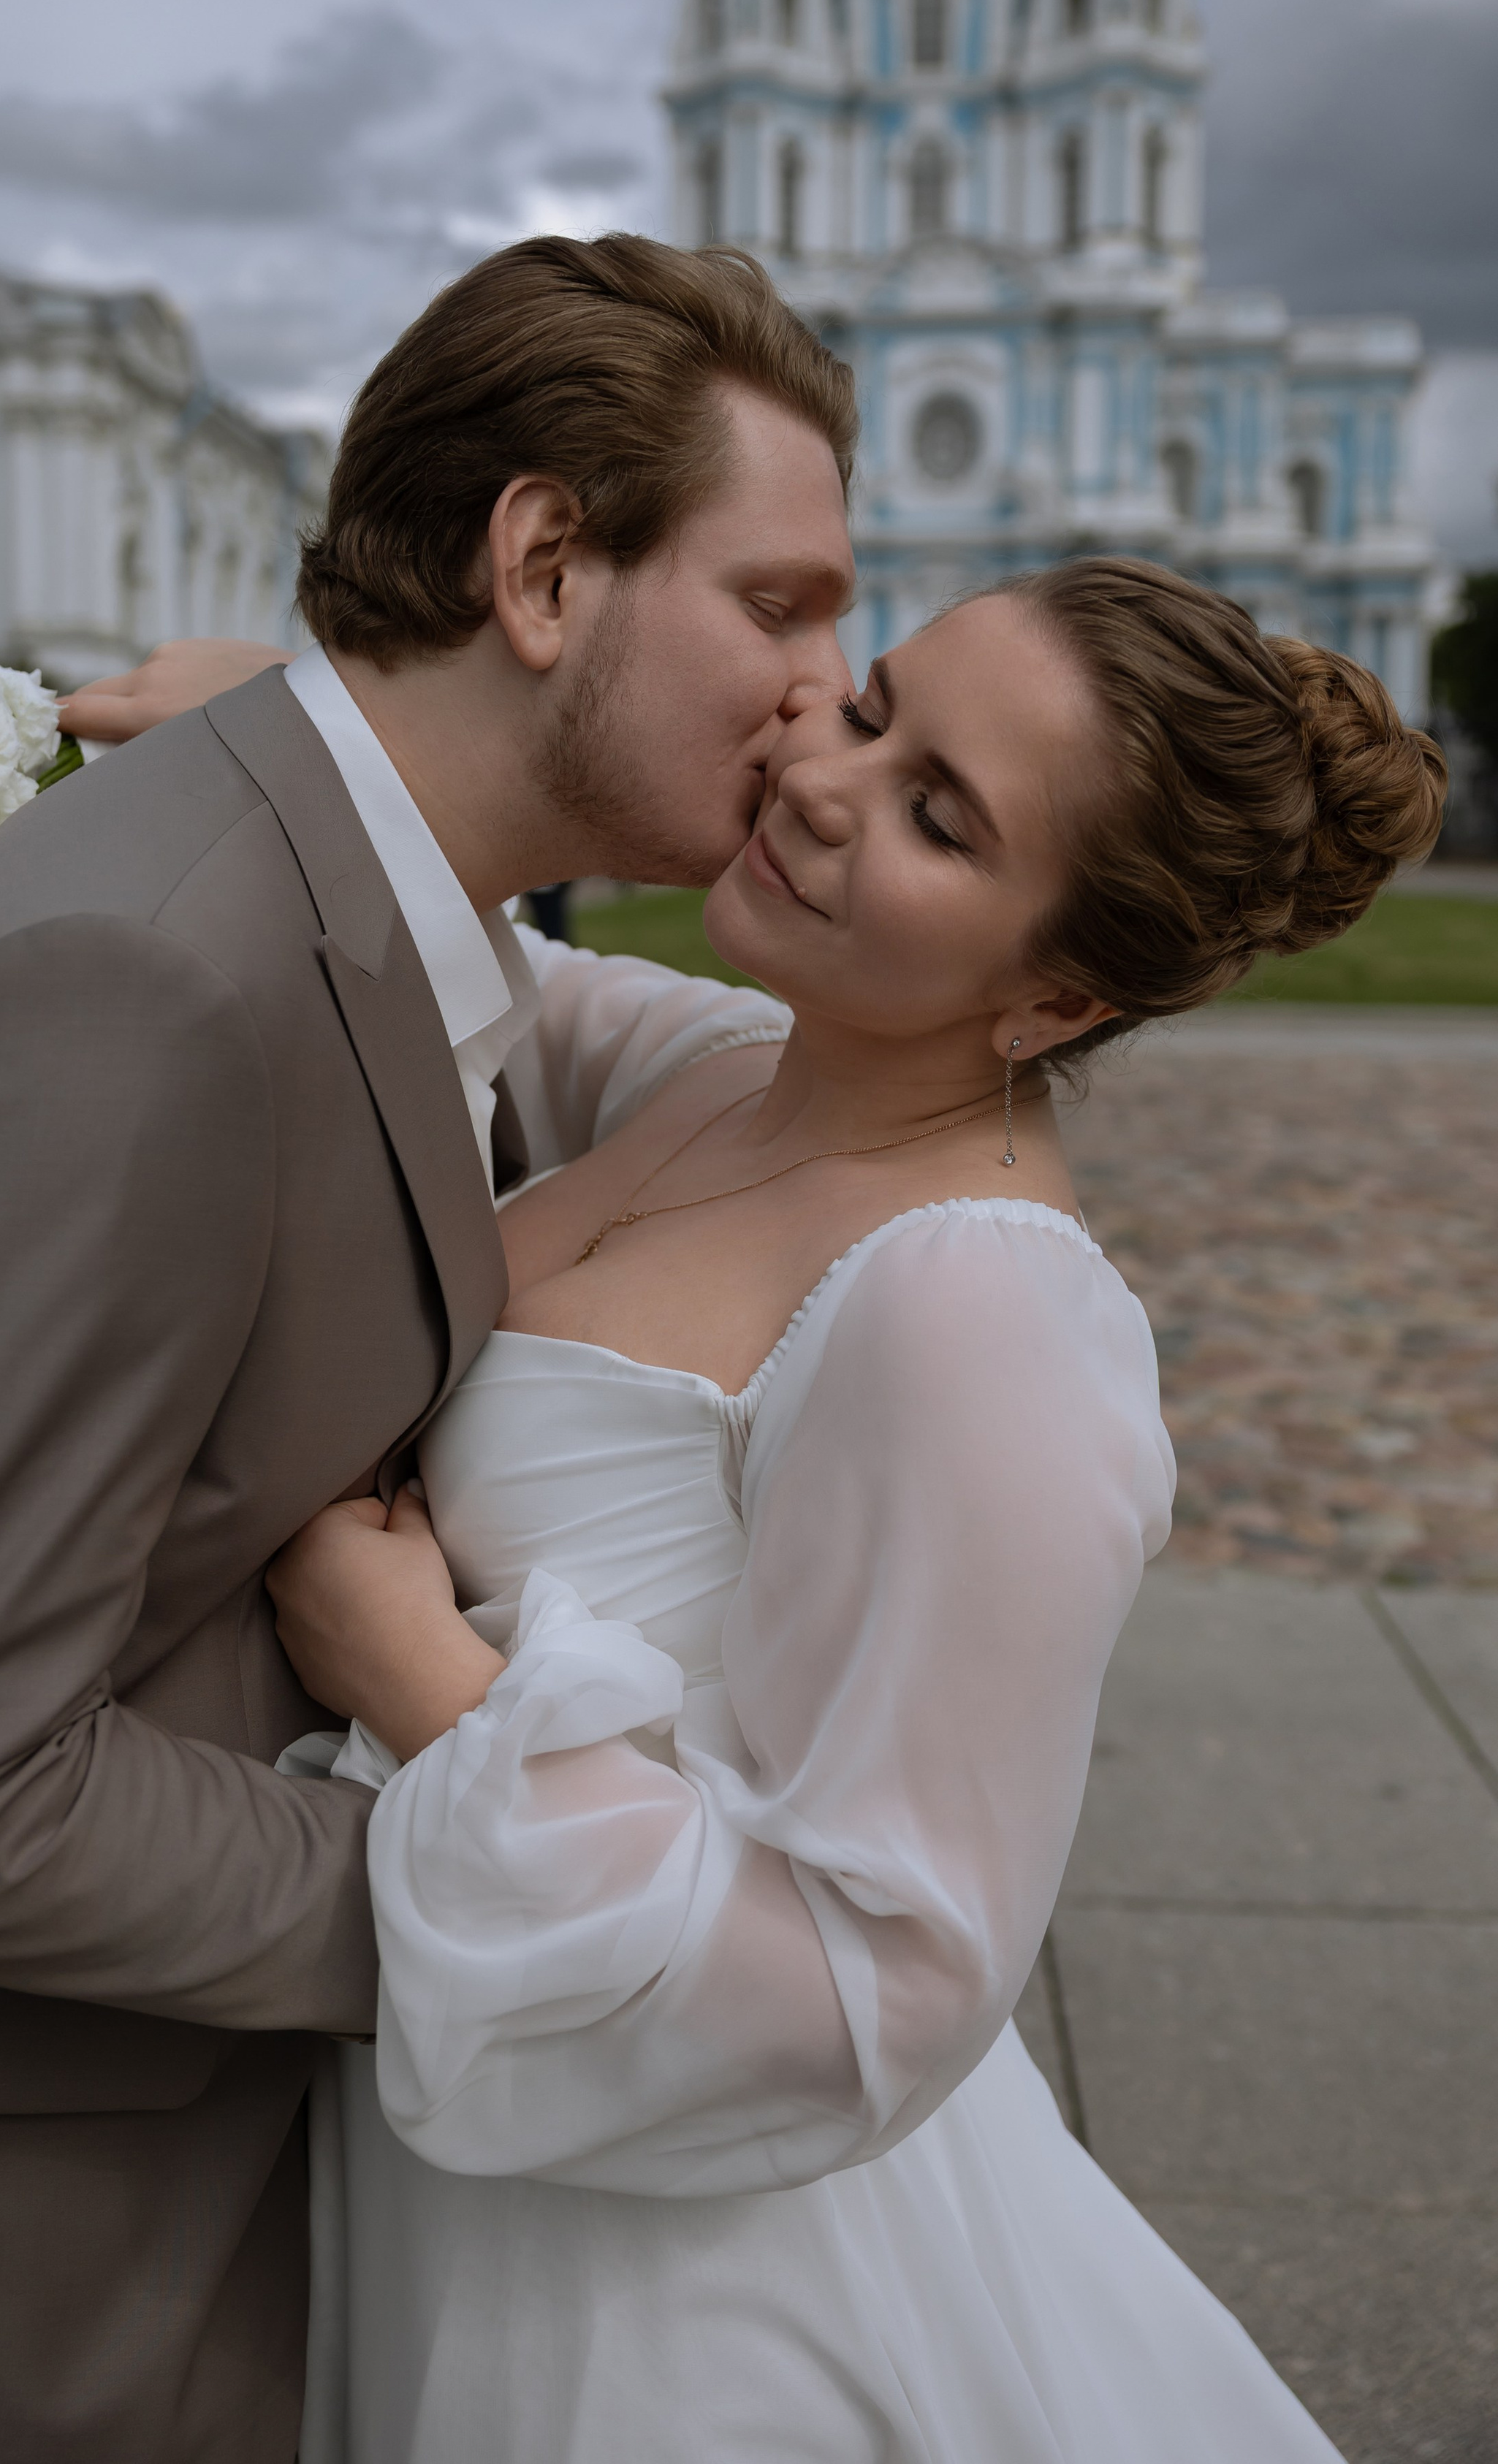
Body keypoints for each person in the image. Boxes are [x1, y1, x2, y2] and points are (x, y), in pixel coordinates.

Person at [0, 237, 862, 2462]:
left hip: (133, 2155)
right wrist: (535, 1895)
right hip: (0, 2263)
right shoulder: (148, 978)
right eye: (781, 604)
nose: (825, 688)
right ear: (547, 563)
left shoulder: (354, 891)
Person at [104, 560, 1443, 2460]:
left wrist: (413, 1665)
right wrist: (308, 735)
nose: (827, 775)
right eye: (878, 705)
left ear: (1058, 990)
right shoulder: (731, 1070)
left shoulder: (981, 1310)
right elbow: (488, 958)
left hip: (673, 2302)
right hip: (461, 2146)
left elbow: (874, 1983)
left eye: (939, 815)